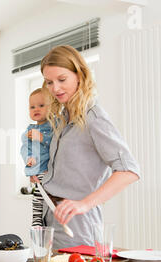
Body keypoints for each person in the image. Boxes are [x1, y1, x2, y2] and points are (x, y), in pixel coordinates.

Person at [38, 45, 141, 249]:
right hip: (50, 216)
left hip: (77, 224)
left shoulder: (93, 118)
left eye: (62, 79)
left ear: (79, 75)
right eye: (49, 82)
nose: (55, 88)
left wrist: (84, 204)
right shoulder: (62, 119)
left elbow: (129, 170)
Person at [20, 88, 54, 226]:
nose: (36, 109)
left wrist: (42, 137)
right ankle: (36, 225)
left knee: (46, 201)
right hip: (37, 171)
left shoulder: (54, 126)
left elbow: (56, 144)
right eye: (32, 107)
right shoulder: (29, 130)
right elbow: (24, 148)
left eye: (41, 105)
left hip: (49, 171)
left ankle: (41, 226)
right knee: (37, 201)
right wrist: (29, 162)